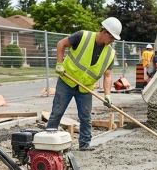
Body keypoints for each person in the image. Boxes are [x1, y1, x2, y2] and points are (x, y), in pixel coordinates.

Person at [48, 17, 120, 151]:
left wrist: (108, 95)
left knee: (86, 118)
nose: (112, 41)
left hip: (85, 88)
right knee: (57, 112)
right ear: (104, 32)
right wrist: (59, 63)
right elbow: (61, 44)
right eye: (112, 38)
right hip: (67, 81)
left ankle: (84, 145)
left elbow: (108, 75)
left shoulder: (110, 53)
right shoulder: (82, 36)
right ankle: (48, 141)